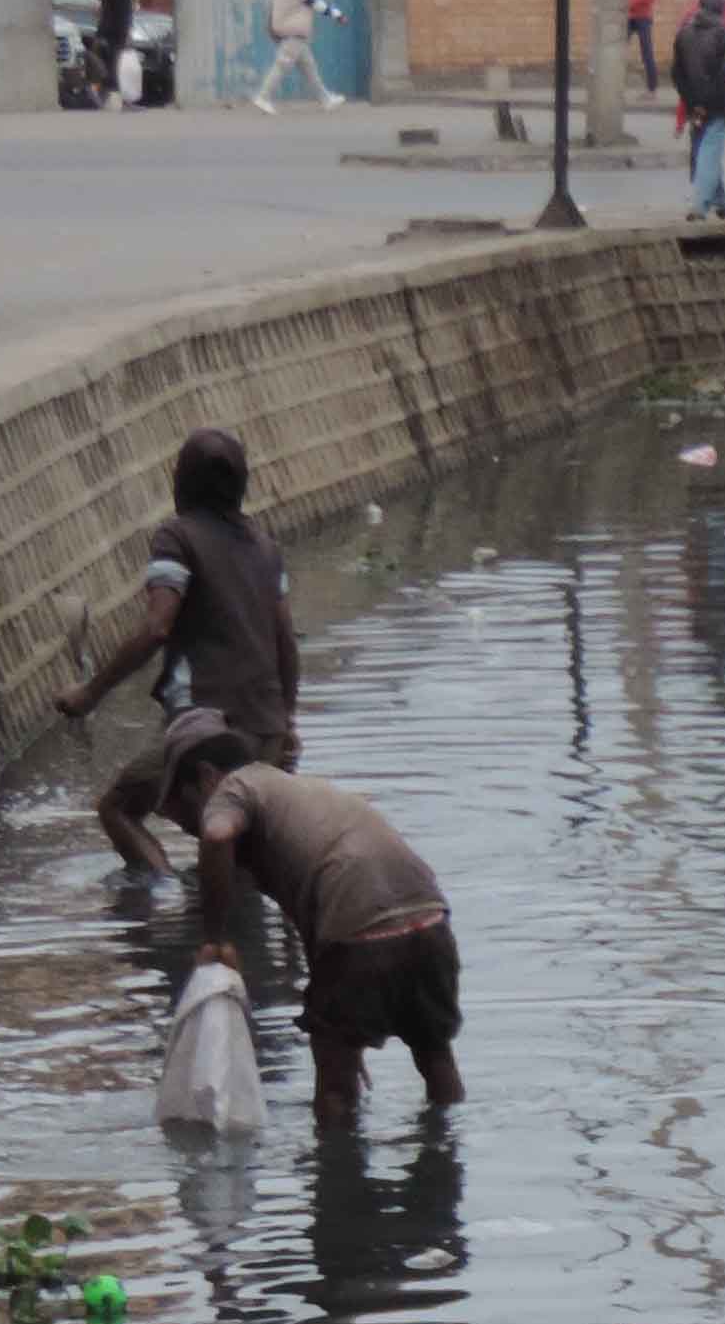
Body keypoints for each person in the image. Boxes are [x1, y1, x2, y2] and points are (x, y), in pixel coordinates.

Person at [162, 713, 460, 1121]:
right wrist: (340, 1026)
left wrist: (213, 940)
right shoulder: (297, 790)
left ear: (206, 776)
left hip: (359, 930)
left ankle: (336, 1179)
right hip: (431, 922)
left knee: (335, 1092)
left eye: (188, 814)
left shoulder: (232, 790)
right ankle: (447, 1166)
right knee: (436, 1059)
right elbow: (317, 917)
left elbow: (216, 835)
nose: (194, 831)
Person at [62, 427, 303, 871]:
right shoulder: (266, 549)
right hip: (266, 733)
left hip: (208, 730)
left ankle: (164, 900)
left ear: (183, 483)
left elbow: (157, 628)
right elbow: (285, 641)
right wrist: (286, 722)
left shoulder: (178, 538)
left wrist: (89, 694)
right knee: (241, 855)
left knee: (118, 808)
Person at [672, 0, 725, 209]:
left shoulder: (683, 34)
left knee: (703, 151)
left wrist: (693, 103)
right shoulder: (724, 37)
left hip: (695, 105)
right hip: (717, 106)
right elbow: (723, 76)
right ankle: (701, 206)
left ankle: (721, 201)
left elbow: (677, 74)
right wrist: (707, 102)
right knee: (708, 153)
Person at [256, 0, 334, 105]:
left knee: (309, 68)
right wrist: (335, 14)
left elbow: (274, 4)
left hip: (288, 29)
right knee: (282, 65)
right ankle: (263, 97)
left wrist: (271, 26)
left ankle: (326, 99)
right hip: (294, 31)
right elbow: (312, 1)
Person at [96, 0, 138, 101]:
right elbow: (120, 16)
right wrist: (126, 35)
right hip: (116, 35)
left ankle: (104, 100)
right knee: (117, 69)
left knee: (113, 69)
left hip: (110, 35)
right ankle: (120, 101)